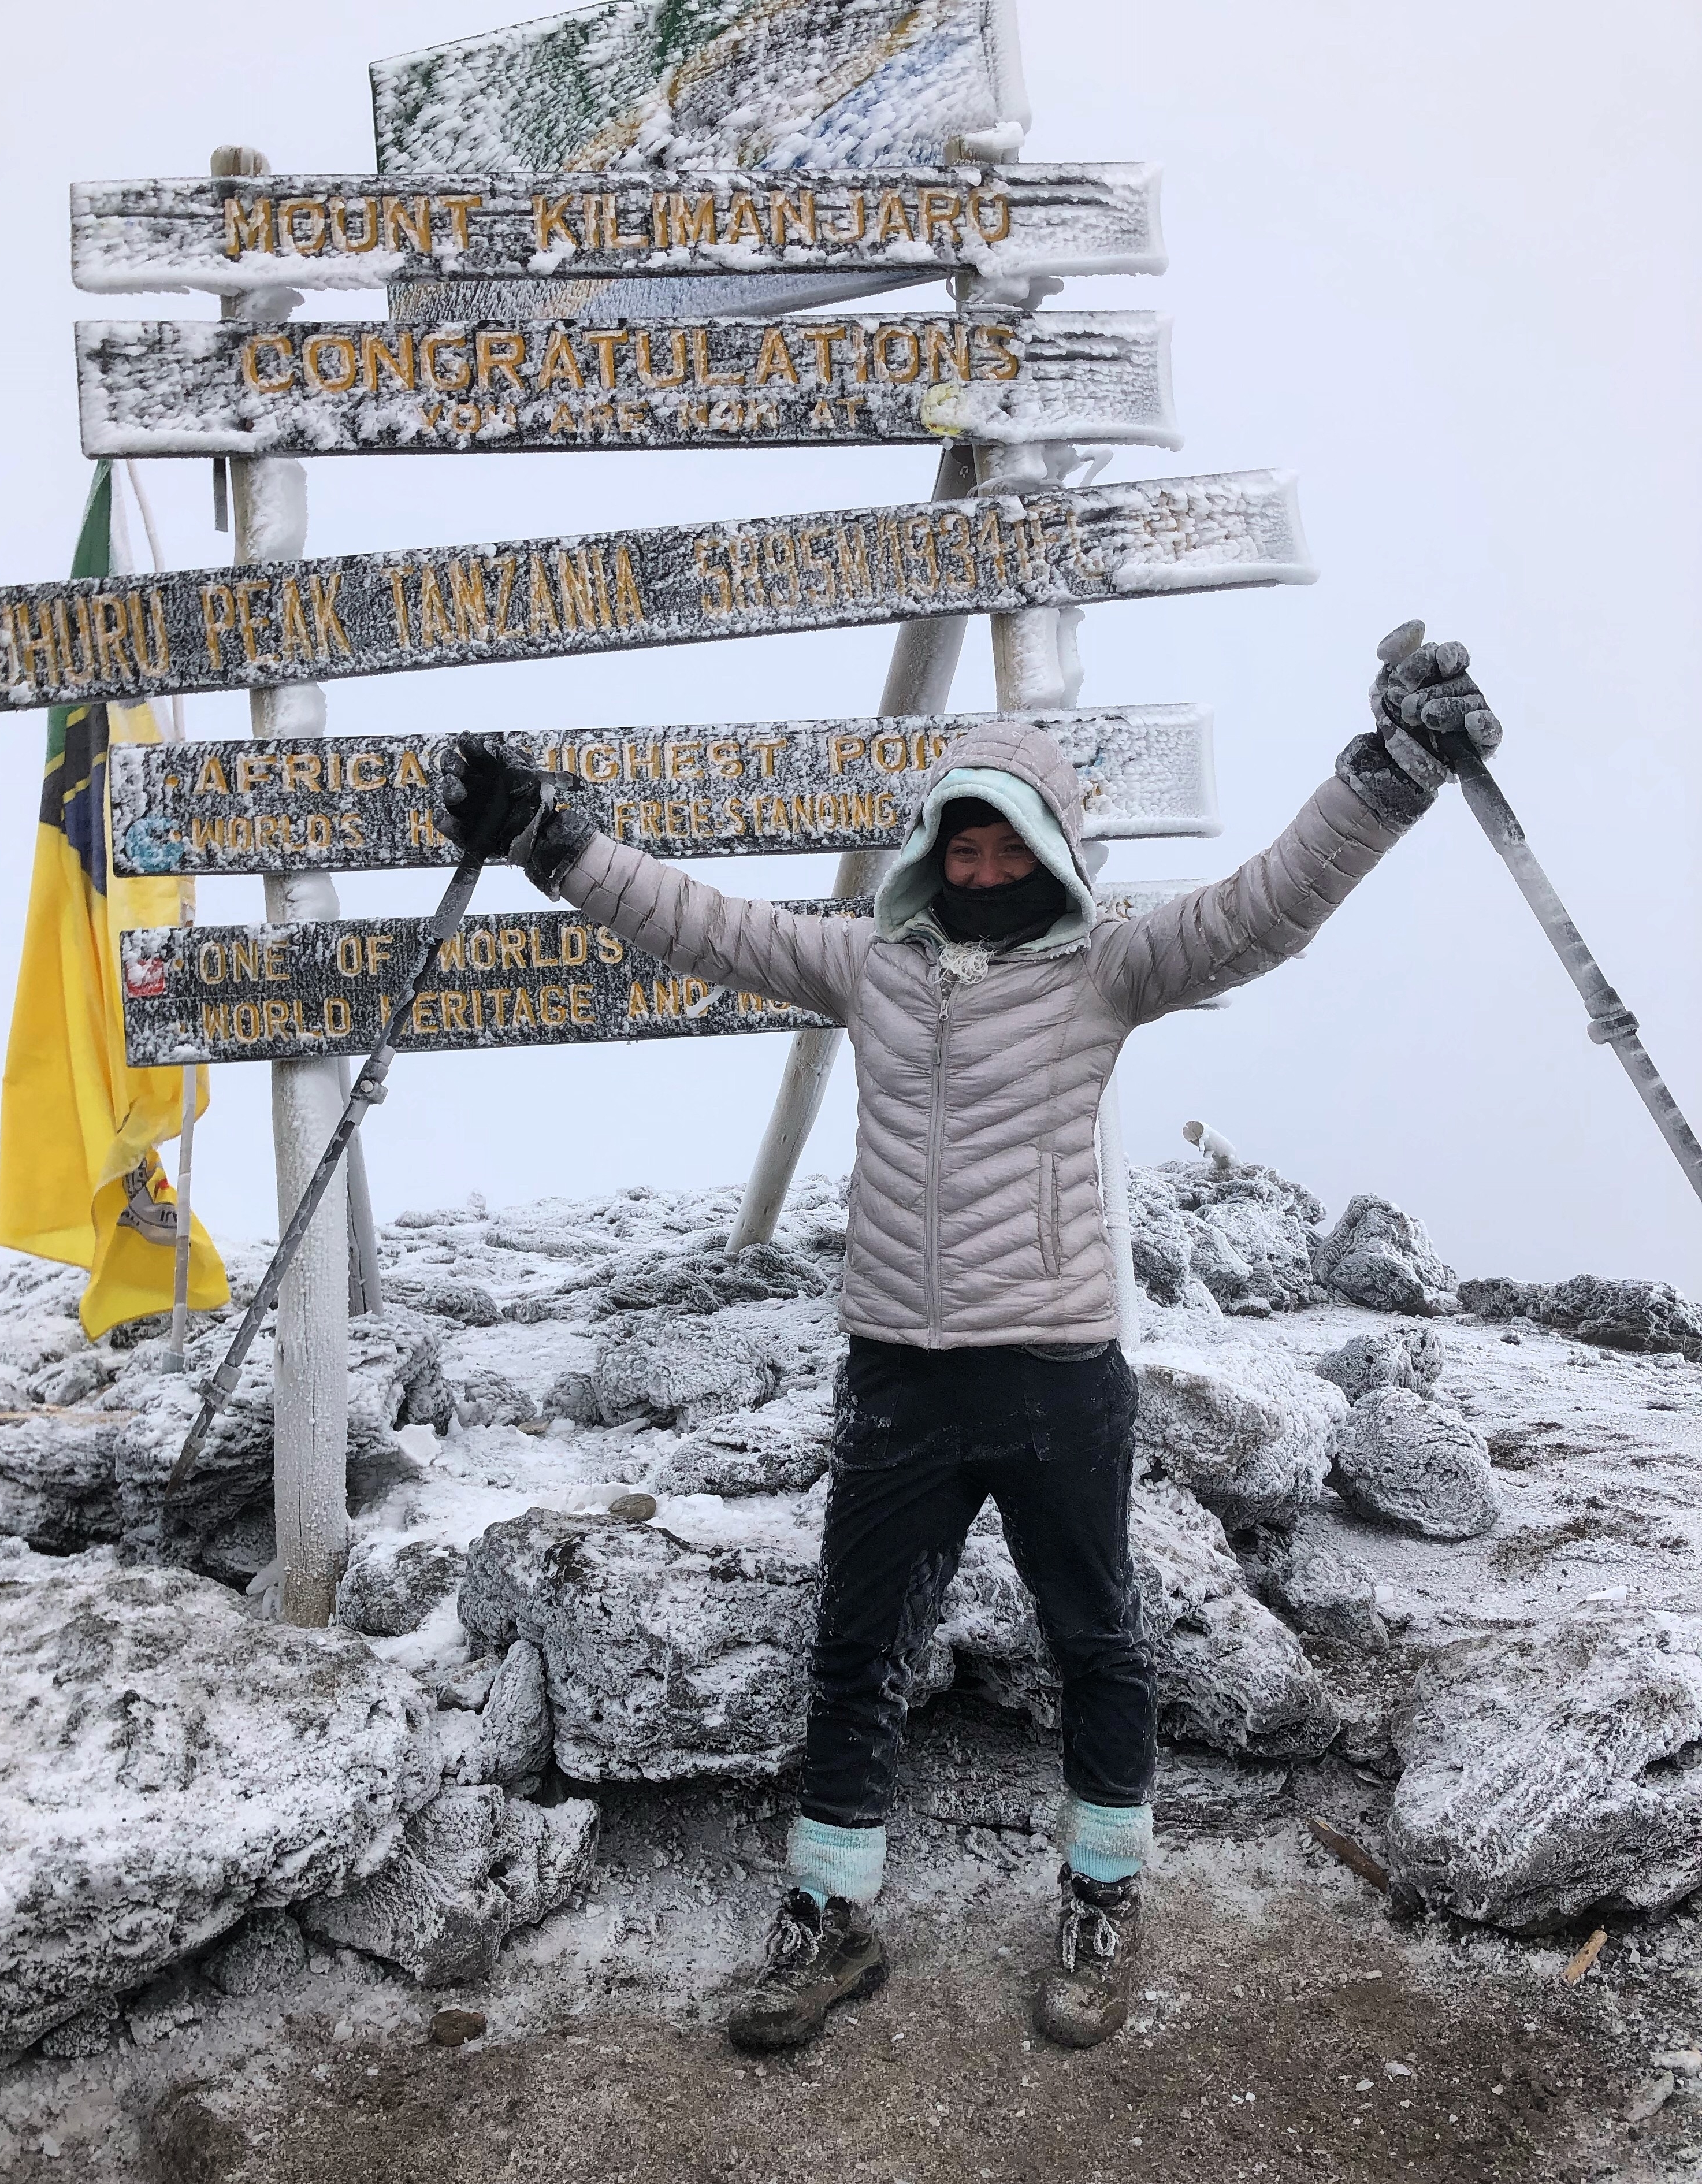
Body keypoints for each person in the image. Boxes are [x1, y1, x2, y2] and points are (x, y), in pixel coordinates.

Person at [437, 620, 1499, 2052]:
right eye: (961, 847)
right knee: (857, 1645)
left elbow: (1267, 907)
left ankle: (1105, 1895)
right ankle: (830, 1918)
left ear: (1053, 854)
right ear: (932, 852)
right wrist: (554, 844)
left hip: (1056, 1372)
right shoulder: (866, 967)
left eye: (1007, 849)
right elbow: (694, 921)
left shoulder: (1109, 972)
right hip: (895, 1374)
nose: (982, 871)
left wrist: (1387, 777)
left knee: (1095, 1639)